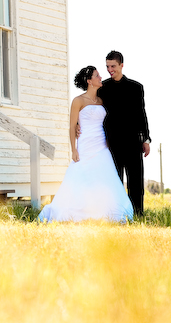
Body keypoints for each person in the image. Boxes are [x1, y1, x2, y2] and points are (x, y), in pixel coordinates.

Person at [38, 66, 134, 223]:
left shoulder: (102, 100)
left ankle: (109, 212)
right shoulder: (78, 101)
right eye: (97, 75)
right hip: (85, 145)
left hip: (102, 146)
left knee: (106, 177)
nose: (100, 77)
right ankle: (75, 212)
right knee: (82, 177)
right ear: (89, 81)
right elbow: (71, 126)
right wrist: (73, 149)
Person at [98, 50, 151, 217]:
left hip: (133, 141)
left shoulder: (136, 88)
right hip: (111, 141)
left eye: (113, 66)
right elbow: (93, 108)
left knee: (135, 180)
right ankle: (117, 214)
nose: (110, 69)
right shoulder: (103, 88)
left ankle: (137, 213)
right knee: (115, 180)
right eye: (107, 66)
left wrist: (146, 139)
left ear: (122, 65)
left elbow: (141, 114)